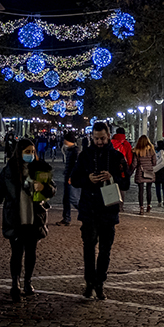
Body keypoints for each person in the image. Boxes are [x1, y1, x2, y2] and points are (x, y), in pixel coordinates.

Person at [0, 139, 55, 302]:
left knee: (31, 251)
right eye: (27, 152)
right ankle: (15, 283)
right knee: (16, 252)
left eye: (32, 152)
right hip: (15, 216)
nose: (30, 155)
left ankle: (28, 282)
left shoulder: (41, 168)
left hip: (35, 216)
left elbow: (52, 189)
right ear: (19, 153)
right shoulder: (9, 170)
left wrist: (43, 188)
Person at [69, 122, 127, 300]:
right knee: (88, 247)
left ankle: (100, 282)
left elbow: (126, 183)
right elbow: (74, 179)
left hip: (108, 209)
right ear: (91, 137)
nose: (100, 141)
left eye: (102, 138)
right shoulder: (85, 155)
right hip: (89, 208)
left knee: (105, 250)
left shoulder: (117, 157)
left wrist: (113, 177)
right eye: (96, 138)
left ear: (108, 136)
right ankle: (89, 282)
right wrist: (88, 179)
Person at [55, 131, 80, 226]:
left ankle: (86, 214)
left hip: (71, 178)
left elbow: (75, 166)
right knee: (66, 199)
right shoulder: (70, 150)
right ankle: (66, 218)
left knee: (73, 198)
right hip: (67, 176)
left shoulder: (75, 151)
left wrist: (71, 176)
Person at [131, 135, 157, 215]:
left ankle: (141, 207)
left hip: (140, 172)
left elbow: (134, 164)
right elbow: (154, 162)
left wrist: (130, 170)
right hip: (149, 171)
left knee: (140, 191)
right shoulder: (151, 150)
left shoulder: (137, 151)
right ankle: (149, 205)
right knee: (149, 190)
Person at [111, 127, 133, 203]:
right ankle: (121, 204)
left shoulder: (111, 142)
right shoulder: (126, 143)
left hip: (112, 167)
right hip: (122, 168)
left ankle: (112, 201)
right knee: (122, 186)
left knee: (113, 184)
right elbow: (129, 157)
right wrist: (129, 168)